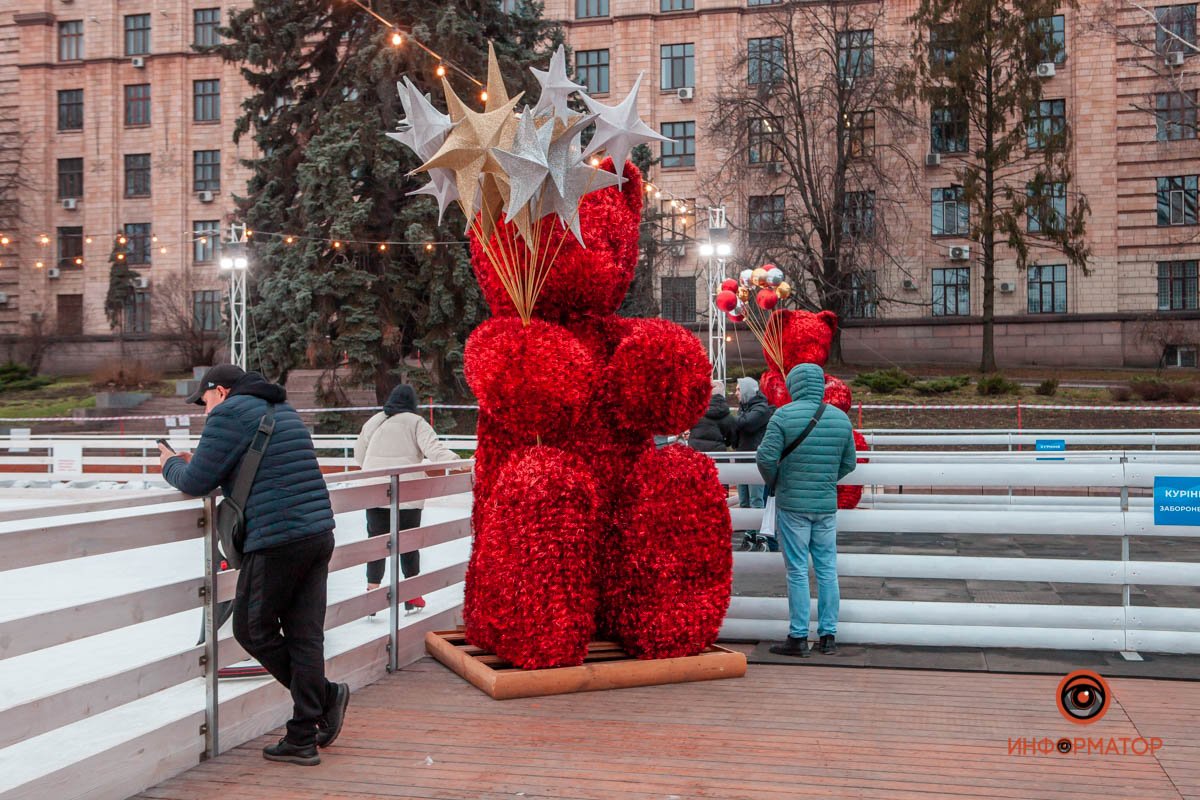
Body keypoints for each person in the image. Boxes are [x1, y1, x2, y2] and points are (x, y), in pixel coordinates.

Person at [158, 364, 347, 766]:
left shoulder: (228, 414)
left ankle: (326, 698)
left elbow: (194, 482)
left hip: (277, 538)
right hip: (317, 533)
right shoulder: (283, 411)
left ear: (221, 392)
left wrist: (169, 463)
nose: (204, 410)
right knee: (305, 635)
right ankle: (302, 736)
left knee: (251, 628)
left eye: (204, 400)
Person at [756, 363, 857, 658]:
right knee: (827, 570)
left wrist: (778, 481)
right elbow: (849, 463)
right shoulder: (840, 419)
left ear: (794, 385)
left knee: (798, 571)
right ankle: (828, 636)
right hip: (825, 506)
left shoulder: (783, 416)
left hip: (793, 505)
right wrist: (826, 481)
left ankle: (798, 637)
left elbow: (765, 458)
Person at [353, 384, 457, 611]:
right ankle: (411, 596)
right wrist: (459, 463)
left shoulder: (375, 420)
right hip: (407, 494)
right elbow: (435, 451)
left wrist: (376, 473)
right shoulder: (416, 422)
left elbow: (358, 454)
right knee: (409, 543)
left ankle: (373, 594)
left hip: (375, 492)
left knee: (376, 543)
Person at [734, 377, 774, 551]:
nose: (734, 392)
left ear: (746, 391)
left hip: (754, 462)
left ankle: (760, 537)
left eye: (737, 389)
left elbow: (746, 425)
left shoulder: (761, 409)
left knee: (756, 500)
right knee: (744, 501)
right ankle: (750, 534)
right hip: (743, 460)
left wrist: (738, 420)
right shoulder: (746, 409)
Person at [687, 380, 737, 454]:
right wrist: (723, 443)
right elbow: (732, 439)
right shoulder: (728, 417)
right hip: (719, 453)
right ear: (723, 394)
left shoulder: (696, 412)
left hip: (695, 453)